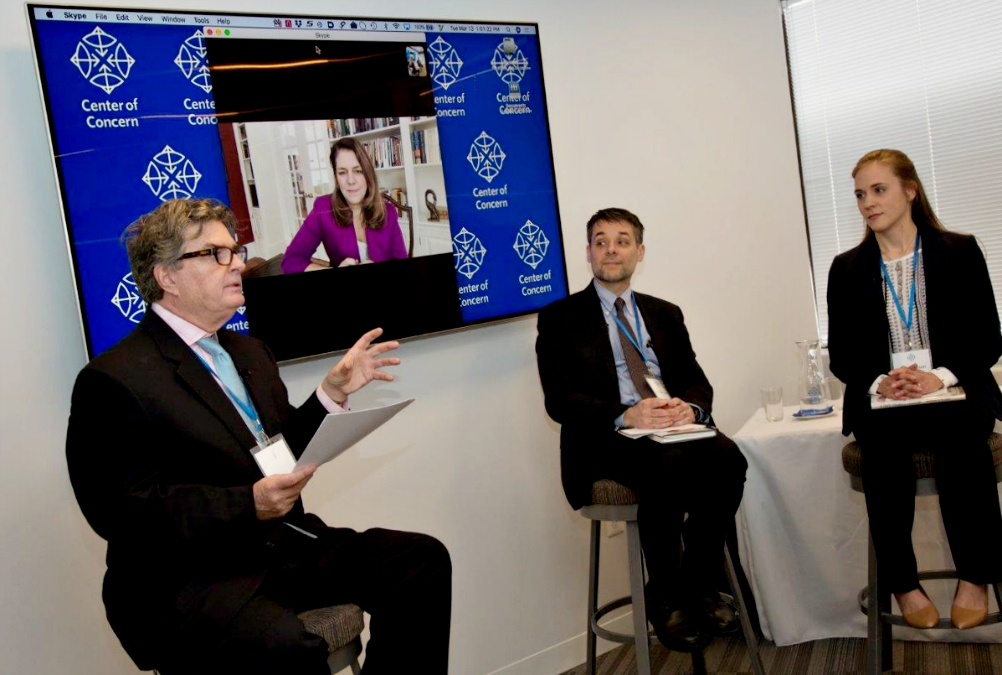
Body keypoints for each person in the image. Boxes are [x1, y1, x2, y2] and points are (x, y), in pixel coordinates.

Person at [66, 198, 451, 674]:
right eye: (215, 254)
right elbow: (122, 511)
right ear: (166, 276)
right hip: (186, 579)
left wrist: (330, 395)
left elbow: (279, 454)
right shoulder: (114, 379)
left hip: (278, 550)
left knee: (420, 562)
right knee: (288, 646)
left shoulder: (249, 351)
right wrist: (246, 505)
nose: (238, 264)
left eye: (236, 250)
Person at [535, 207, 748, 652]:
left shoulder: (665, 313)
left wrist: (689, 408)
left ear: (640, 252)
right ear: (589, 254)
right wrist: (626, 415)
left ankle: (700, 583)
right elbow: (560, 401)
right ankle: (667, 594)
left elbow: (696, 379)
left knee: (729, 458)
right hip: (606, 439)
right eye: (601, 241)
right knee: (665, 465)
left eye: (622, 240)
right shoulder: (559, 318)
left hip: (669, 428)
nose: (611, 249)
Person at [827, 148, 1002, 630]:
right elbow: (842, 354)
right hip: (886, 402)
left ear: (910, 190)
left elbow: (989, 336)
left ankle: (976, 576)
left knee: (965, 441)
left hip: (952, 391)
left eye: (878, 190)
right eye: (860, 194)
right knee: (880, 450)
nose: (868, 202)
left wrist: (938, 376)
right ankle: (903, 583)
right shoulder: (846, 268)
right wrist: (882, 380)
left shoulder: (960, 250)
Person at [282, 137, 408, 273]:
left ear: (367, 174)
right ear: (336, 177)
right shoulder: (322, 208)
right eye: (342, 172)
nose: (350, 180)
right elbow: (291, 260)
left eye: (358, 171)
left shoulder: (388, 211)